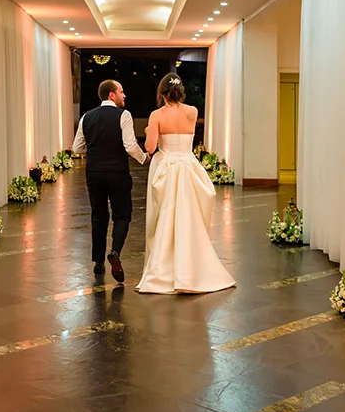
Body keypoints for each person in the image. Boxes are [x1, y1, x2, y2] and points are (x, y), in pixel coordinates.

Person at [136, 74, 236, 294]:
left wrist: (147, 132)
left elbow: (151, 147)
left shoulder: (157, 115)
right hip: (189, 166)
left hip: (166, 168)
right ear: (181, 92)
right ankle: (191, 269)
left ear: (161, 93)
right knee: (188, 218)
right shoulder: (192, 111)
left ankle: (164, 271)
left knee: (163, 218)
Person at [72, 79, 147, 282]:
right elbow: (130, 145)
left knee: (98, 215)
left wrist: (95, 151)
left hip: (94, 172)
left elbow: (77, 148)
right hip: (117, 172)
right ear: (111, 95)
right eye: (121, 92)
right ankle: (115, 251)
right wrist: (144, 158)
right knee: (122, 214)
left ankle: (98, 262)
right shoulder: (124, 115)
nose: (125, 96)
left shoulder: (87, 117)